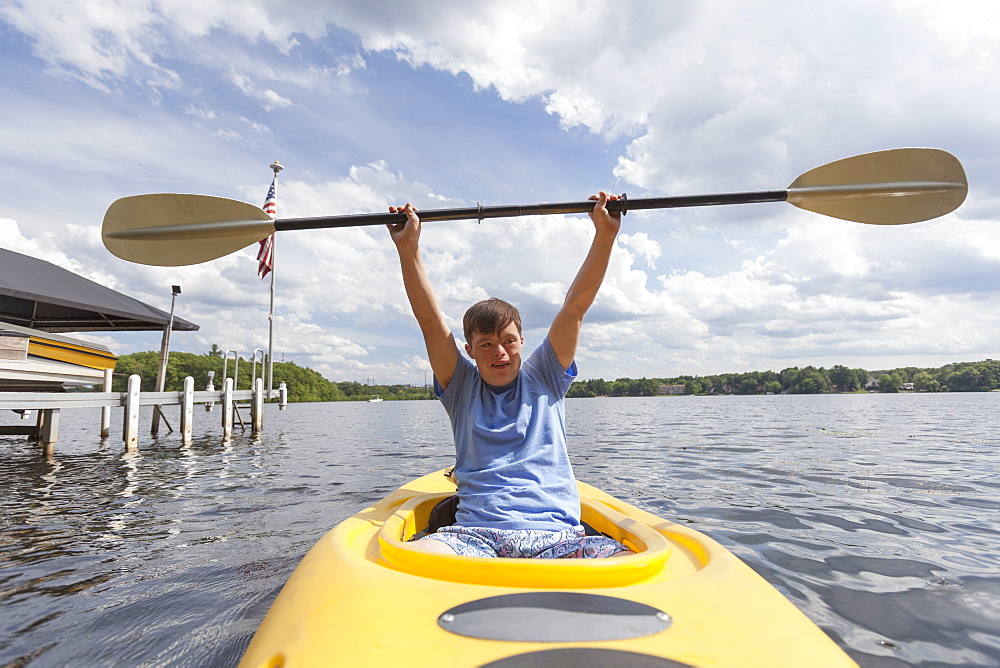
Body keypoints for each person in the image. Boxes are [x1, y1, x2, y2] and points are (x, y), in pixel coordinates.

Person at [387, 192, 629, 559]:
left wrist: (605, 235)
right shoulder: (461, 385)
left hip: (558, 537)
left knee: (629, 566)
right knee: (410, 562)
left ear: (521, 341)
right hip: (473, 536)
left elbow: (576, 305)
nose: (499, 352)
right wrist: (409, 248)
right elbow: (431, 323)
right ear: (469, 350)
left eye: (508, 341)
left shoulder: (546, 374)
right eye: (486, 344)